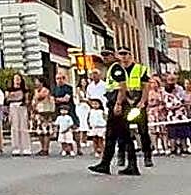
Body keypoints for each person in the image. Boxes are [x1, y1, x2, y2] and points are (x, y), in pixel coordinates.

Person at [89, 46, 146, 176]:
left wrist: (118, 104)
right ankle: (107, 164)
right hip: (114, 102)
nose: (105, 58)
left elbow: (122, 87)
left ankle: (127, 165)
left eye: (108, 55)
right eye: (103, 55)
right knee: (113, 135)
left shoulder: (115, 68)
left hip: (117, 102)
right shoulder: (112, 68)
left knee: (121, 135)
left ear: (114, 56)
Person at [163, 73, 190, 155]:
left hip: (181, 114)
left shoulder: (180, 89)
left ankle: (184, 148)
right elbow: (167, 104)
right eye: (170, 80)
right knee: (172, 132)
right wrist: (175, 105)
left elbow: (183, 99)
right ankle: (173, 148)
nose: (172, 82)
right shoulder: (164, 91)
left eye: (173, 80)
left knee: (183, 131)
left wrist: (180, 104)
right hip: (171, 115)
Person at [52, 70, 76, 155]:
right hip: (59, 111)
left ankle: (76, 148)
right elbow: (52, 99)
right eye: (57, 79)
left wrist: (57, 99)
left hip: (69, 110)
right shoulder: (55, 88)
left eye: (61, 78)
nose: (59, 80)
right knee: (61, 132)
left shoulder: (68, 88)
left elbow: (66, 99)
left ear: (64, 79)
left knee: (72, 131)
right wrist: (58, 100)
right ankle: (64, 149)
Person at [6, 73, 31, 155]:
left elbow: (27, 100)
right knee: (15, 127)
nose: (17, 80)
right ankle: (16, 148)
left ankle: (26, 148)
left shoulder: (24, 89)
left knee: (23, 127)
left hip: (22, 107)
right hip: (13, 107)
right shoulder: (9, 89)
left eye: (18, 78)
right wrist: (11, 96)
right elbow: (7, 99)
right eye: (15, 78)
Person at [32, 80, 55, 157]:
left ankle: (46, 149)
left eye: (37, 82)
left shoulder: (45, 90)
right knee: (40, 132)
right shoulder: (36, 91)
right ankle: (42, 148)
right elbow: (34, 102)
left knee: (46, 132)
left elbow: (39, 97)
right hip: (38, 113)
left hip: (46, 114)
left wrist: (36, 93)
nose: (36, 84)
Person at [87, 86, 107, 157]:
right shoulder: (91, 111)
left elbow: (105, 118)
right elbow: (89, 119)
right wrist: (89, 124)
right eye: (93, 104)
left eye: (96, 104)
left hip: (100, 127)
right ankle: (95, 150)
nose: (94, 105)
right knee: (94, 139)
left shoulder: (101, 111)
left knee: (100, 139)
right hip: (94, 127)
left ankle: (102, 150)